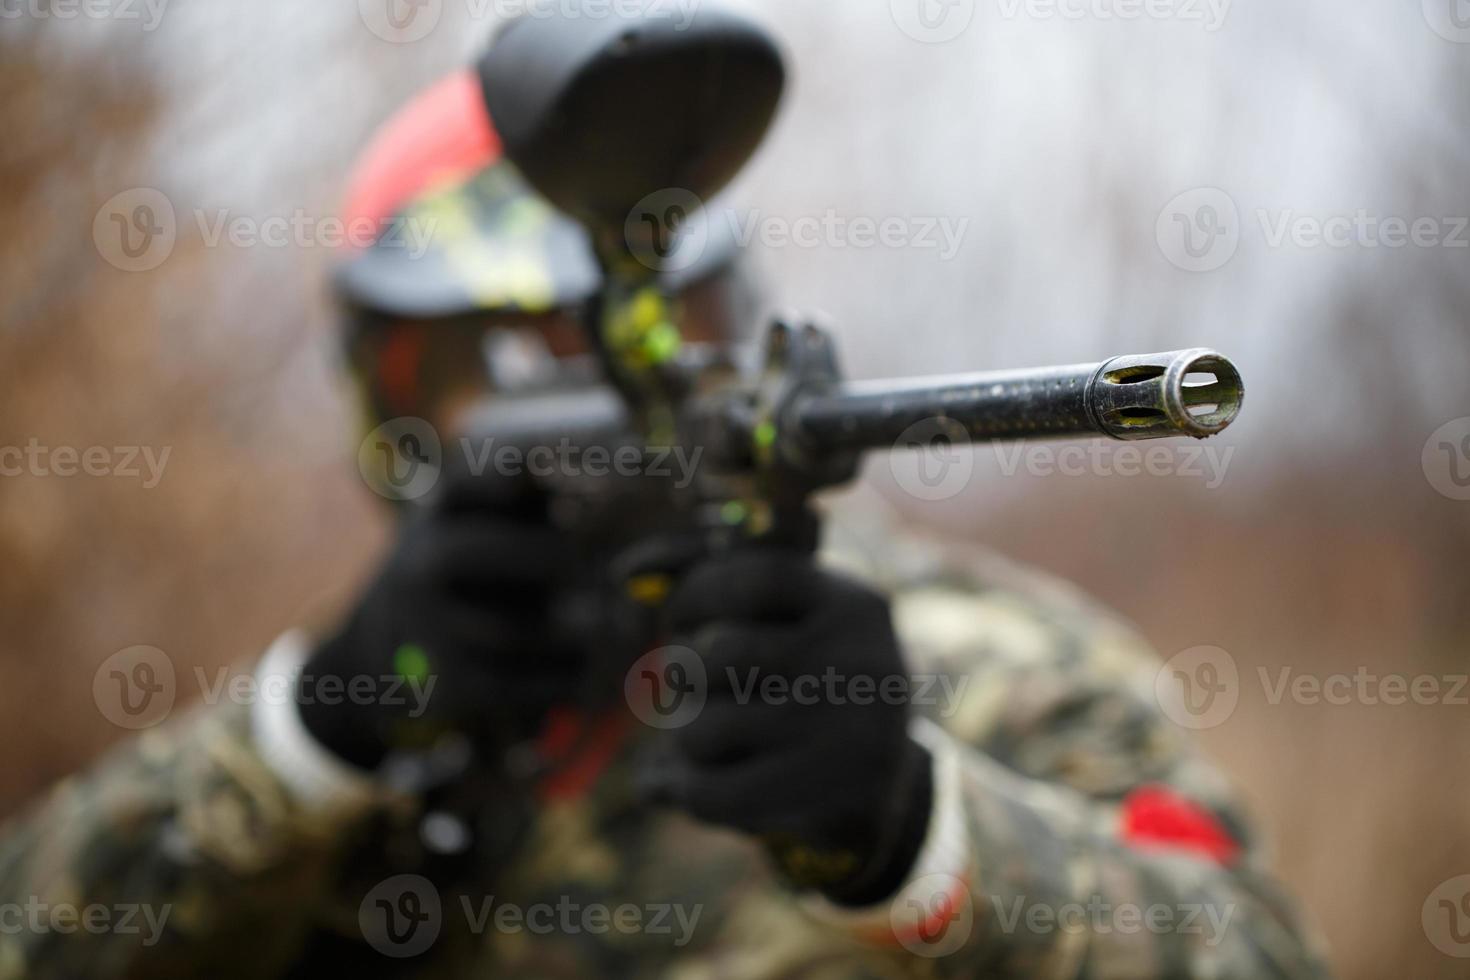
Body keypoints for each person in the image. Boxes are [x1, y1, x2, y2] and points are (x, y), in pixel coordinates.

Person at [0, 12, 1331, 978]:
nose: (590, 396)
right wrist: (319, 728)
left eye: (633, 331)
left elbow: (1256, 959)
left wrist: (918, 838)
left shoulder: (983, 665)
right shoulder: (373, 713)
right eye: (494, 359)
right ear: (390, 404)